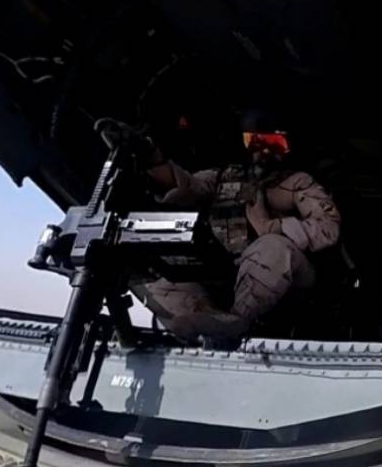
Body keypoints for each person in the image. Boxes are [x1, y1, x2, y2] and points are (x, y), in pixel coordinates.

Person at [141, 114, 341, 343]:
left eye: (273, 143)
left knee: (274, 247)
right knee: (168, 279)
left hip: (286, 280)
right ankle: (209, 320)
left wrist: (273, 226)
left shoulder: (298, 182)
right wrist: (151, 157)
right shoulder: (223, 177)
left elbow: (328, 229)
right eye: (255, 142)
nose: (263, 151)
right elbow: (185, 186)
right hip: (226, 272)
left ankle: (237, 320)